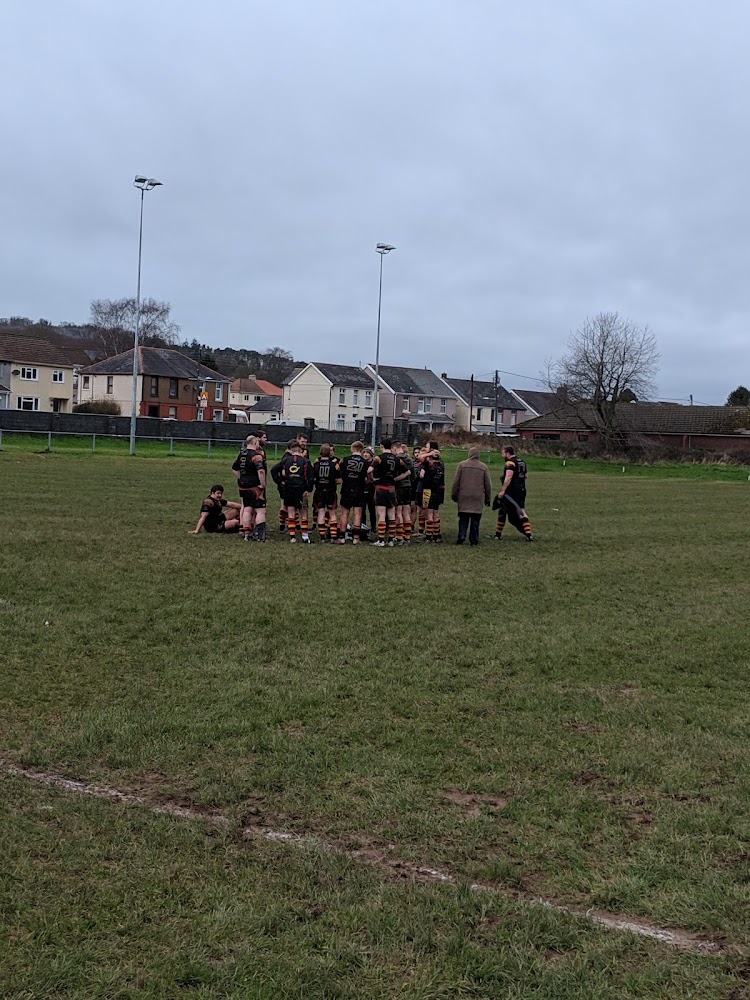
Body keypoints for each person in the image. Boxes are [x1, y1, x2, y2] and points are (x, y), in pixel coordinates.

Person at [368, 438, 407, 546]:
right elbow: (407, 472)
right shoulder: (397, 459)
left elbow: (369, 470)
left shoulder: (378, 458)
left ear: (381, 446)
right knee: (391, 515)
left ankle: (380, 540)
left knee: (381, 514)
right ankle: (390, 539)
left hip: (380, 487)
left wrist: (372, 479)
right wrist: (396, 479)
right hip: (391, 488)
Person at [451, 446, 492, 546]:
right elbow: (488, 485)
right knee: (475, 519)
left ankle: (461, 535)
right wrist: (487, 498)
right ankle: (474, 539)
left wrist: (454, 494)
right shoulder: (483, 467)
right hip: (477, 497)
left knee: (463, 518)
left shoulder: (462, 465)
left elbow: (456, 482)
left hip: (464, 495)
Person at [494, 444, 534, 541]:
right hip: (522, 490)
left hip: (511, 491)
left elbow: (508, 477)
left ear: (507, 453)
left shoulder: (510, 463)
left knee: (507, 511)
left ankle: (498, 535)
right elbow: (525, 476)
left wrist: (502, 490)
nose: (502, 456)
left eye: (503, 453)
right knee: (515, 510)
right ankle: (528, 535)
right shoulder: (522, 462)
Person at [231, 434, 267, 541]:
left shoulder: (241, 454)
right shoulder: (256, 456)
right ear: (255, 443)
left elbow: (234, 468)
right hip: (255, 487)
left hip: (243, 486)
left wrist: (242, 478)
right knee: (260, 510)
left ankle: (247, 534)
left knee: (247, 509)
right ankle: (259, 535)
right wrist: (263, 484)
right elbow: (260, 470)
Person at [281, 440, 314, 543]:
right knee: (303, 512)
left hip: (289, 489)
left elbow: (274, 470)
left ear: (291, 451)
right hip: (301, 490)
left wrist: (281, 481)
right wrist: (309, 489)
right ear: (300, 451)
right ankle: (305, 536)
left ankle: (292, 537)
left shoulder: (286, 460)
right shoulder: (306, 461)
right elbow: (310, 477)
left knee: (291, 512)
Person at [338, 440, 368, 544]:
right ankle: (356, 538)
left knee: (344, 513)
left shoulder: (345, 460)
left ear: (352, 449)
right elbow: (368, 477)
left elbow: (340, 472)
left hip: (346, 489)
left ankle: (342, 537)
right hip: (359, 489)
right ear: (362, 449)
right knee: (357, 514)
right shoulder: (365, 462)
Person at [313, 443, 340, 541]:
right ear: (329, 453)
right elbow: (339, 481)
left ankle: (322, 537)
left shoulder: (316, 464)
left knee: (321, 512)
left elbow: (313, 478)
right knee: (332, 513)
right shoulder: (334, 465)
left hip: (319, 491)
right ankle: (333, 537)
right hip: (330, 491)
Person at [420, 445, 445, 543]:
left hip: (428, 490)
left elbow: (420, 458)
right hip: (439, 490)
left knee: (429, 513)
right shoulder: (441, 464)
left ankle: (429, 536)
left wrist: (429, 453)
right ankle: (437, 535)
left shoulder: (428, 463)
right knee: (436, 513)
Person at [393, 442, 414, 544]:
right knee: (406, 512)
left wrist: (394, 480)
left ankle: (399, 537)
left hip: (400, 486)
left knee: (398, 512)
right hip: (408, 486)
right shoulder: (409, 458)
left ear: (394, 449)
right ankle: (407, 536)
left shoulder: (397, 459)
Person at [361, 447, 376, 537]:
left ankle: (373, 527)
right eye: (364, 453)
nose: (365, 454)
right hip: (362, 488)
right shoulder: (362, 463)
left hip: (371, 488)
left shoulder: (374, 463)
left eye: (367, 453)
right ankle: (363, 526)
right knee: (362, 509)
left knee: (372, 509)